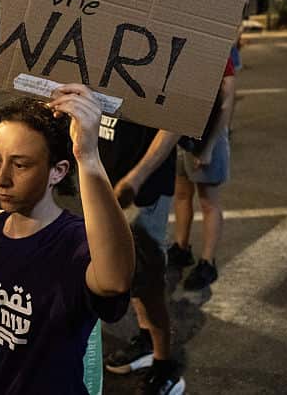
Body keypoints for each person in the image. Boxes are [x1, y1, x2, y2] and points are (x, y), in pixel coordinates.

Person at [0, 90, 134, 395]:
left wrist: (87, 156)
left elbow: (115, 280)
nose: (1, 178)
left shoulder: (75, 243)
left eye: (20, 165)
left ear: (57, 171)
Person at [98, 118, 185, 395]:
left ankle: (164, 365)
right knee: (131, 274)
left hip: (142, 187)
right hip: (109, 177)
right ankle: (147, 339)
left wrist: (137, 177)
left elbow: (175, 120)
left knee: (148, 280)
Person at [170, 56, 236, 292]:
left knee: (208, 202)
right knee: (181, 194)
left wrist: (207, 148)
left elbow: (226, 100)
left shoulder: (217, 49)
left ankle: (208, 262)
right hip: (181, 134)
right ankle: (181, 247)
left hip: (208, 137)